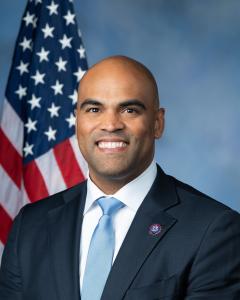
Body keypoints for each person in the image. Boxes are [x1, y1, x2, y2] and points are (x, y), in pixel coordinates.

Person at [0, 55, 240, 300]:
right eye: (94, 109)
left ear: (157, 123)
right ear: (77, 120)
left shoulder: (213, 229)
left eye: (129, 110)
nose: (111, 124)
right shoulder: (30, 226)